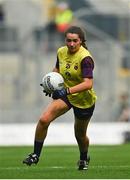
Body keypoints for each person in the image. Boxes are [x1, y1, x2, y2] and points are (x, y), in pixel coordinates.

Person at [23, 26, 97, 170]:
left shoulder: (85, 58)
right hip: (67, 96)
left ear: (81, 41)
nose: (71, 44)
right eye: (68, 40)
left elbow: (88, 84)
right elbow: (57, 70)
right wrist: (50, 83)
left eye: (75, 41)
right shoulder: (61, 51)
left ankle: (83, 158)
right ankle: (35, 155)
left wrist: (66, 91)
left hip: (84, 100)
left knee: (80, 135)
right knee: (44, 119)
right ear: (65, 40)